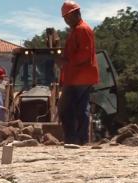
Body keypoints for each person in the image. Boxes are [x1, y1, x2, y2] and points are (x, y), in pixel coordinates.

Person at [57, 1, 99, 145]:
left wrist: (66, 62)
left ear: (74, 14)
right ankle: (81, 139)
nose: (66, 21)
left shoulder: (82, 29)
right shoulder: (78, 30)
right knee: (80, 108)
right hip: (80, 76)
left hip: (78, 77)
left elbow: (84, 53)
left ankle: (73, 139)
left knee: (65, 108)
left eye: (66, 17)